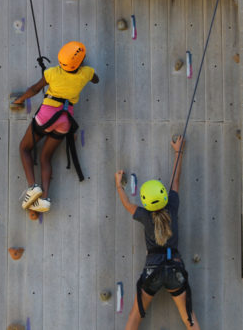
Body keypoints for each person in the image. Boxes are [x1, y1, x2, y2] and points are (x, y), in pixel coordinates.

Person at [115, 136, 200, 330]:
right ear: (163, 194)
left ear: (146, 201)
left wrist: (118, 184)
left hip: (152, 270)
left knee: (134, 317)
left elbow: (127, 204)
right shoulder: (172, 205)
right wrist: (179, 150)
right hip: (174, 268)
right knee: (189, 318)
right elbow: (175, 180)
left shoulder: (144, 215)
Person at [14, 41, 99, 213]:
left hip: (47, 115)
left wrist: (20, 100)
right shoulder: (87, 73)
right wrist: (84, 70)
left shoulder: (51, 73)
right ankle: (44, 199)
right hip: (65, 119)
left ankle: (32, 187)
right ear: (80, 62)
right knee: (46, 158)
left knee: (24, 148)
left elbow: (35, 89)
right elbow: (96, 80)